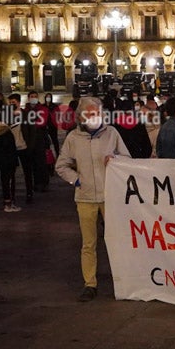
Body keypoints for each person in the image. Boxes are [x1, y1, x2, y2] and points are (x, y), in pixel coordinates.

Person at [55, 97, 131, 301]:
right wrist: (77, 180)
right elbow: (61, 165)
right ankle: (90, 283)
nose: (93, 116)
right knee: (89, 243)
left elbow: (128, 159)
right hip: (86, 197)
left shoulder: (112, 134)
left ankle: (123, 280)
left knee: (116, 239)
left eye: (96, 112)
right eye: (89, 113)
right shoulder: (73, 138)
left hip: (109, 197)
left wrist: (116, 160)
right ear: (81, 116)